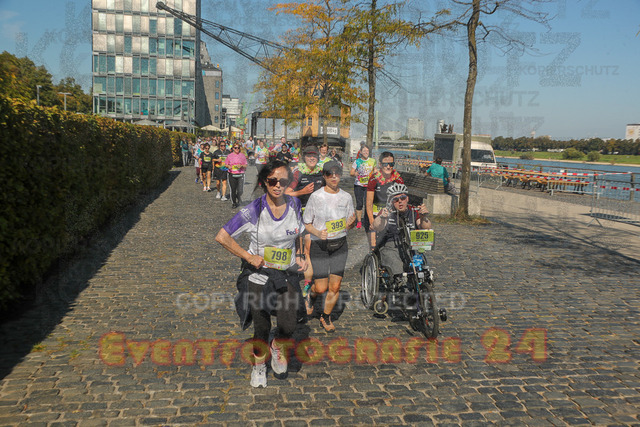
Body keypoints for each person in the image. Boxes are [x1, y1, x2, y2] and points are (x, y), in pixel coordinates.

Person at [215, 160, 306, 388]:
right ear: (265, 182)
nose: (278, 185)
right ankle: (259, 364)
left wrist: (301, 255)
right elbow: (222, 236)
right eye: (272, 181)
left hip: (286, 272)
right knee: (262, 325)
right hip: (259, 273)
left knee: (289, 324)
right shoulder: (254, 210)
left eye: (283, 181)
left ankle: (277, 345)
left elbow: (299, 232)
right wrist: (248, 257)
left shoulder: (295, 204)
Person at [303, 161, 355, 332]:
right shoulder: (316, 197)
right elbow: (307, 223)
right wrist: (318, 233)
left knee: (335, 286)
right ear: (324, 176)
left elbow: (349, 223)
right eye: (329, 174)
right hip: (320, 246)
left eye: (337, 173)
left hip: (340, 245)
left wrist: (350, 223)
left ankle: (326, 316)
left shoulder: (346, 197)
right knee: (321, 288)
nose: (334, 177)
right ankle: (311, 295)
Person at [371, 183, 432, 282]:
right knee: (397, 267)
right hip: (390, 245)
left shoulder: (413, 212)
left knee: (419, 267)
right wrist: (382, 217)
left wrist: (423, 217)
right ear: (391, 201)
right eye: (396, 199)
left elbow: (425, 227)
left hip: (409, 245)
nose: (400, 201)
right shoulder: (387, 211)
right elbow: (377, 226)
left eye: (402, 198)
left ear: (407, 199)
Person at [285, 146, 325, 297]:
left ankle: (311, 277)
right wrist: (303, 192)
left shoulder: (322, 172)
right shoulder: (298, 172)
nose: (312, 158)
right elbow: (287, 193)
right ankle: (307, 285)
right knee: (305, 249)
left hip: (319, 216)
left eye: (314, 156)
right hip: (301, 215)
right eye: (309, 156)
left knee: (313, 249)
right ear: (304, 158)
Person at [365, 151, 404, 248]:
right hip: (374, 213)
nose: (388, 167)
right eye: (385, 164)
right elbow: (369, 203)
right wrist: (372, 222)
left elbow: (402, 199)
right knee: (374, 247)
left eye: (391, 164)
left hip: (390, 214)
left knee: (390, 244)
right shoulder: (373, 179)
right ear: (380, 164)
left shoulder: (398, 179)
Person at [350, 144, 376, 229]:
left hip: (369, 186)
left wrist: (375, 174)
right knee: (359, 204)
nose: (366, 152)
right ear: (361, 152)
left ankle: (367, 220)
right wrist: (355, 173)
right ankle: (359, 221)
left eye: (367, 151)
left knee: (368, 204)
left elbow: (375, 171)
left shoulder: (372, 161)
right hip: (359, 185)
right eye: (364, 151)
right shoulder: (357, 162)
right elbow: (351, 173)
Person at [225, 143, 248, 208]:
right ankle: (234, 203)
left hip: (240, 174)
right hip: (232, 174)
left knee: (240, 190)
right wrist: (228, 166)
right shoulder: (229, 156)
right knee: (233, 189)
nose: (237, 149)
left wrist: (241, 166)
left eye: (238, 148)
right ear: (233, 148)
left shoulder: (242, 155)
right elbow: (226, 164)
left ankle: (238, 196)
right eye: (235, 148)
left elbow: (246, 165)